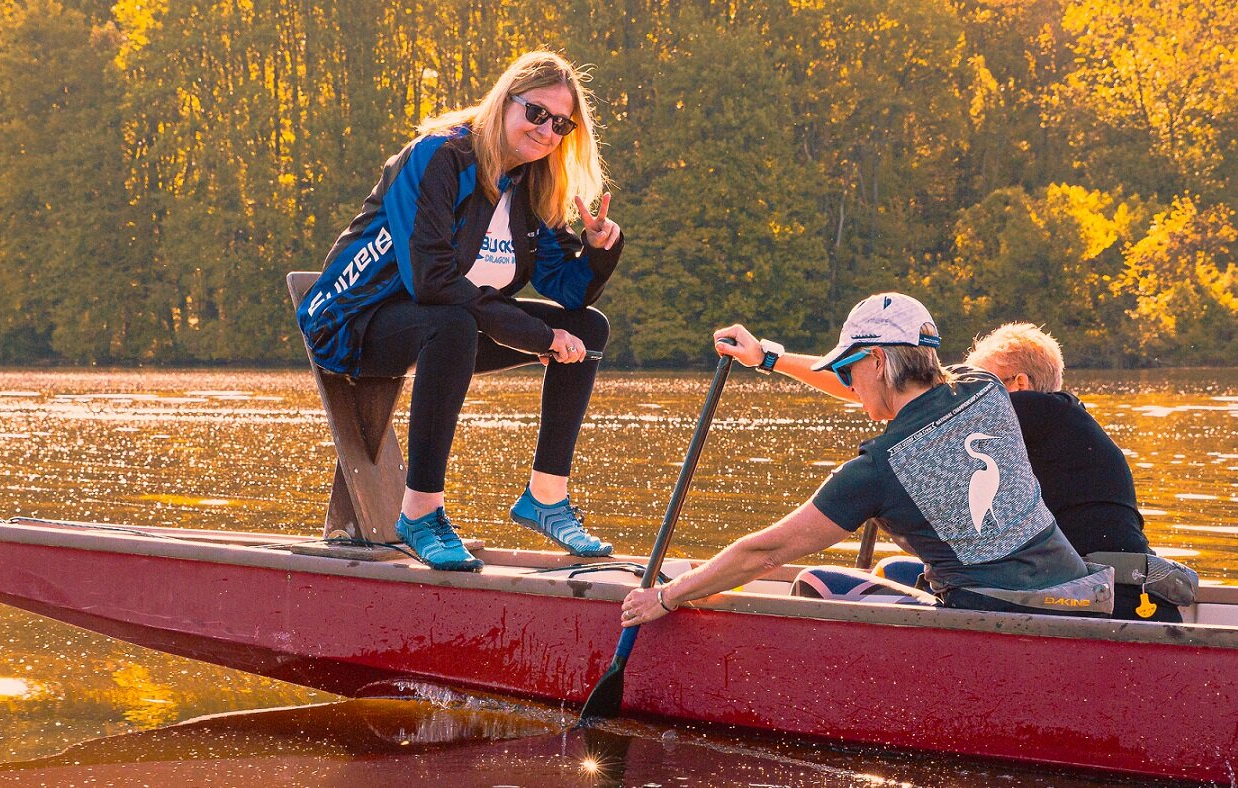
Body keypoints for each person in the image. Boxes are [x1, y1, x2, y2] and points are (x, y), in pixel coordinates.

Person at [297, 51, 622, 572]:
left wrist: (600, 248)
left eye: (562, 124)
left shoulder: (533, 184)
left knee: (587, 328)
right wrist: (536, 338)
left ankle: (546, 498)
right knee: (453, 323)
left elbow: (569, 290)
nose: (547, 131)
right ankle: (421, 512)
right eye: (536, 113)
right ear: (504, 100)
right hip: (353, 321)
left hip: (440, 322)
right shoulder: (440, 157)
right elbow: (432, 280)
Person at [621, 293, 1114, 625]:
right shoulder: (984, 388)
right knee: (896, 570)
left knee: (815, 579)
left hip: (992, 619)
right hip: (1077, 599)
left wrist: (665, 597)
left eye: (849, 366)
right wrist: (767, 358)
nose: (848, 383)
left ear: (877, 360)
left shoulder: (877, 468)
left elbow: (763, 552)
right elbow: (882, 391)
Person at [965, 323, 1184, 622]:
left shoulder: (1041, 409)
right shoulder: (1055, 428)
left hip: (1121, 609)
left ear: (1019, 384)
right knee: (900, 569)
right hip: (1120, 599)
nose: (972, 400)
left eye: (981, 389)